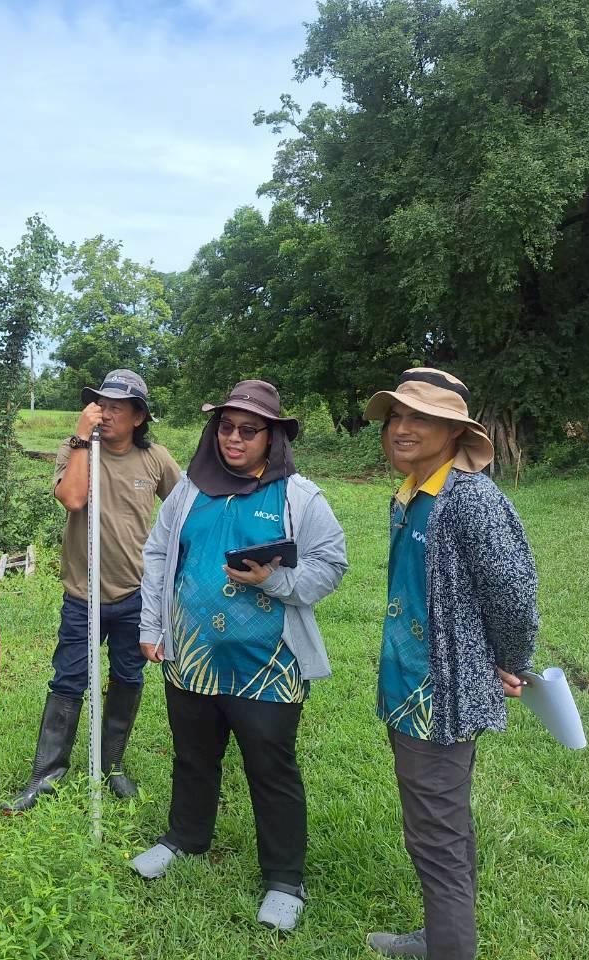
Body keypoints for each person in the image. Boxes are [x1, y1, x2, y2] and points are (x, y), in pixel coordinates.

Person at [129, 380, 348, 932]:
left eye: (248, 430)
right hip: (192, 656)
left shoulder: (299, 496)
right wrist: (153, 626)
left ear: (272, 437)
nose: (234, 438)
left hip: (268, 666)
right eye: (225, 427)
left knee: (271, 767)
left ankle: (283, 879)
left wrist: (276, 581)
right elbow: (159, 554)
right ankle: (184, 838)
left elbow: (332, 562)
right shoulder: (188, 492)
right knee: (192, 756)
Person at [363, 368, 538, 959]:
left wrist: (510, 660)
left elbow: (514, 591)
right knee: (443, 826)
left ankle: (449, 948)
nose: (402, 429)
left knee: (436, 836)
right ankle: (440, 935)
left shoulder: (471, 500)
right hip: (409, 690)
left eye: (420, 418)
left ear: (452, 430)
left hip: (442, 697)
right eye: (396, 417)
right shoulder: (416, 492)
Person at [5, 369, 182, 812]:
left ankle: (111, 767)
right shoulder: (78, 449)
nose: (105, 413)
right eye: (100, 404)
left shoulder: (155, 459)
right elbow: (72, 499)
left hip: (136, 594)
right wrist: (83, 441)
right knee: (68, 679)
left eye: (117, 407)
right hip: (83, 595)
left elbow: (183, 511)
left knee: (128, 677)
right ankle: (46, 776)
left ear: (139, 416)